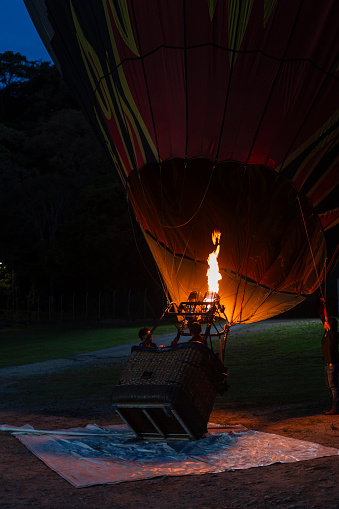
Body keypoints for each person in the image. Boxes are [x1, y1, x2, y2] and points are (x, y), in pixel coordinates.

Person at [321, 316, 339, 415]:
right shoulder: (327, 334)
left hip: (332, 365)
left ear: (330, 325)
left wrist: (324, 304)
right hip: (327, 364)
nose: (324, 323)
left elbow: (326, 317)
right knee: (329, 386)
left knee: (333, 387)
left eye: (326, 322)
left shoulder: (333, 335)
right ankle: (332, 407)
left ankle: (335, 407)